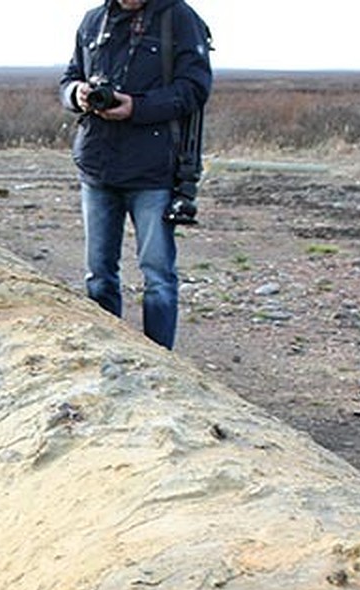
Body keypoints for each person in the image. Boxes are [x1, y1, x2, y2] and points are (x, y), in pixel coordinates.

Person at [59, 0, 211, 349]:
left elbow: (195, 88)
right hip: (98, 168)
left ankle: (160, 364)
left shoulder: (178, 18)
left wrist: (136, 107)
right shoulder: (94, 21)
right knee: (98, 276)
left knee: (157, 276)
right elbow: (69, 78)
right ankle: (107, 355)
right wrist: (76, 94)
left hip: (153, 169)